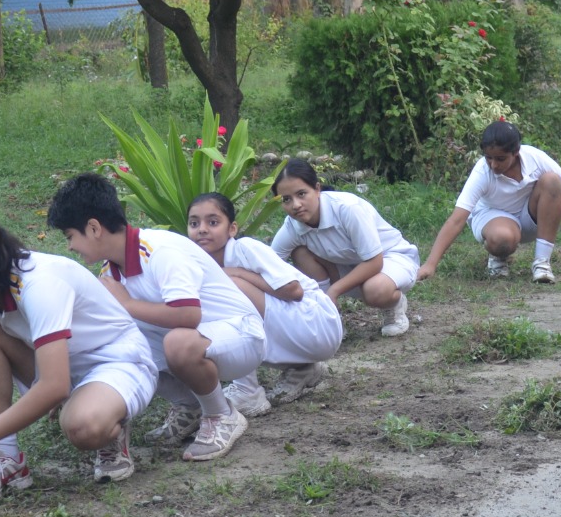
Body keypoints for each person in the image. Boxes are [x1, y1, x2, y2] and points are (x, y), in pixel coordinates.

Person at [0, 217, 158, 500]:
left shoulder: (39, 284)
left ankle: (110, 425)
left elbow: (53, 386)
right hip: (61, 366)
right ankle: (7, 459)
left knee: (83, 426)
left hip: (118, 363)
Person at [45, 173, 265, 463]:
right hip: (199, 339)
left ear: (94, 228)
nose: (70, 246)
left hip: (241, 335)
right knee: (123, 347)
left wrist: (128, 304)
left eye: (70, 236)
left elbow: (188, 314)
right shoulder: (110, 271)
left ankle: (221, 414)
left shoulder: (159, 251)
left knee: (178, 342)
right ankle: (190, 406)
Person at [188, 192, 344, 412]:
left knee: (226, 289)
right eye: (194, 223)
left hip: (317, 322)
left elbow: (294, 290)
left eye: (212, 222)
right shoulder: (200, 264)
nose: (202, 229)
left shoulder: (245, 248)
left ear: (231, 229)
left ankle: (247, 391)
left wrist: (236, 273)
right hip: (298, 332)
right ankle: (302, 369)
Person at [418, 121, 561, 284]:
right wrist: (430, 264)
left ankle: (542, 264)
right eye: (489, 157)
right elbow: (456, 220)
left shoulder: (536, 158)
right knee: (503, 238)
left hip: (528, 216)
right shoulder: (482, 172)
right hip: (491, 216)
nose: (493, 164)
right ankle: (498, 255)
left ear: (516, 152)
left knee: (552, 181)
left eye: (500, 159)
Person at [271, 158, 419, 337]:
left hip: (391, 259)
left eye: (301, 194)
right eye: (287, 199)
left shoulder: (347, 208)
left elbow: (375, 261)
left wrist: (334, 290)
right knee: (300, 253)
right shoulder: (292, 226)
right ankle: (329, 317)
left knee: (375, 290)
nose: (295, 205)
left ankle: (393, 305)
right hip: (349, 266)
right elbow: (269, 264)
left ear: (317, 189)